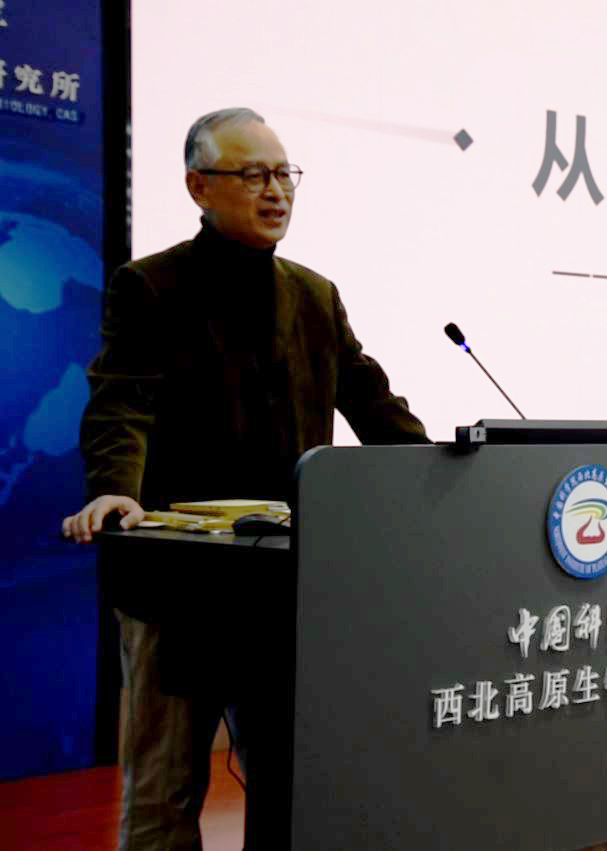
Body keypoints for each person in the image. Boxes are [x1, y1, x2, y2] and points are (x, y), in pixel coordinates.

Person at [60, 107, 429, 850]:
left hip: (285, 583)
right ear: (199, 186)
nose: (276, 191)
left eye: (285, 174)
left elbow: (373, 404)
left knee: (292, 787)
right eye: (254, 174)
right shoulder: (150, 286)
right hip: (178, 584)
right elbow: (121, 399)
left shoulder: (315, 294)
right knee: (164, 794)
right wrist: (115, 484)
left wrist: (441, 471)